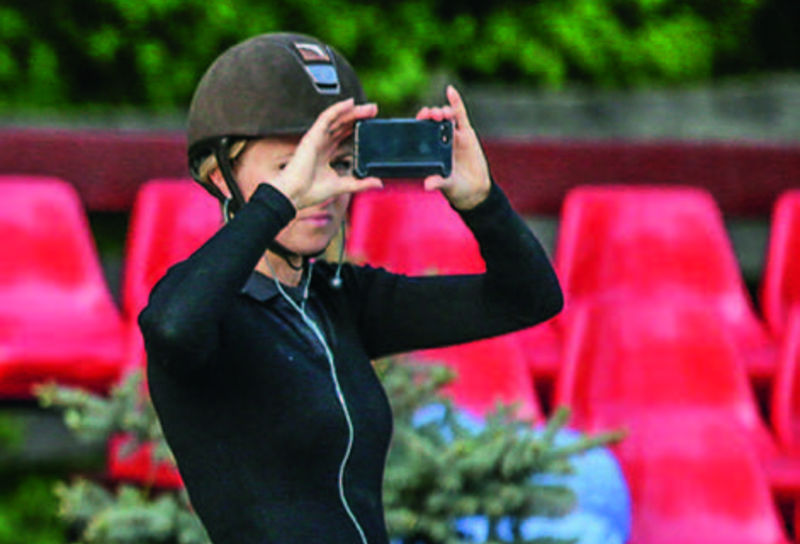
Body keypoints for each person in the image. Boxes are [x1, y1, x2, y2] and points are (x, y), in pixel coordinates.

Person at [139, 32, 563, 544]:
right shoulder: (206, 313)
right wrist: (280, 200)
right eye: (293, 168)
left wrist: (482, 202)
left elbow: (529, 297)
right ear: (222, 178)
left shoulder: (341, 299)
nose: (322, 189)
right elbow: (171, 328)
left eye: (339, 165)